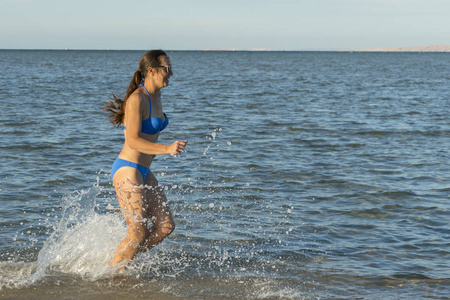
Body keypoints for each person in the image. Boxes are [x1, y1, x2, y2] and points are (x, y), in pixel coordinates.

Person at [104, 50, 187, 270]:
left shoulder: (156, 96)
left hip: (143, 170)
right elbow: (132, 141)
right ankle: (110, 278)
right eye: (167, 69)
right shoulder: (137, 99)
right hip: (128, 169)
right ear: (151, 70)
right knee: (137, 232)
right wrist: (166, 148)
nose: (171, 73)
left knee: (165, 226)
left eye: (171, 69)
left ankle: (121, 263)